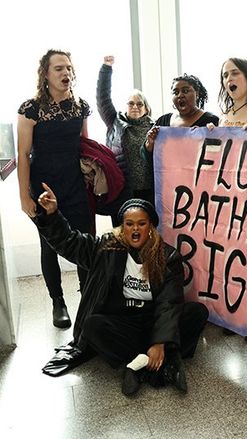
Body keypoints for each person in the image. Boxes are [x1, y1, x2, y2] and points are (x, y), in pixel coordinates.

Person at [33, 187, 209, 396]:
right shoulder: (105, 247)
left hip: (153, 319)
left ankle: (139, 364)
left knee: (197, 313)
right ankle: (161, 363)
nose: (135, 229)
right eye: (129, 224)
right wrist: (52, 215)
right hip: (123, 321)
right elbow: (70, 243)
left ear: (150, 227)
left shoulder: (168, 257)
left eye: (141, 224)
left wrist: (160, 341)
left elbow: (169, 303)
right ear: (123, 227)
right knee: (93, 325)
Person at [17, 49, 95, 329]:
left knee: (85, 242)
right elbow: (23, 154)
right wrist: (24, 197)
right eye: (59, 68)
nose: (66, 73)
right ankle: (58, 302)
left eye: (69, 68)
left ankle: (88, 299)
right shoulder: (31, 108)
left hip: (75, 185)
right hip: (44, 188)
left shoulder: (81, 106)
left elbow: (85, 146)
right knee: (49, 246)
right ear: (46, 74)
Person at [96, 55, 155, 212]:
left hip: (149, 191)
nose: (135, 107)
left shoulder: (155, 128)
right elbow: (103, 99)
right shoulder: (115, 122)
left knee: (148, 226)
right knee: (122, 226)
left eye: (139, 104)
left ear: (146, 109)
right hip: (122, 191)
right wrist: (106, 69)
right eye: (131, 103)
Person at [144, 73, 221, 152]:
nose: (180, 95)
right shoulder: (163, 121)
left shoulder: (211, 120)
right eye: (176, 93)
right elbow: (147, 155)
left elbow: (220, 153)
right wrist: (149, 145)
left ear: (197, 93)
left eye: (185, 91)